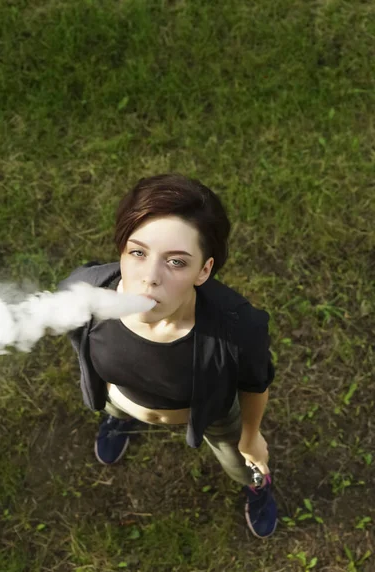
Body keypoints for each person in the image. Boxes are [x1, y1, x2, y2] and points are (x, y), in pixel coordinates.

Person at [58, 173, 278, 539]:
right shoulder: (83, 295)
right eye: (138, 253)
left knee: (241, 464)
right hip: (121, 397)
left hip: (210, 414)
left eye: (176, 262)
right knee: (113, 407)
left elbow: (256, 385)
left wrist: (251, 437)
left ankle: (258, 489)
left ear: (203, 270)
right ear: (122, 250)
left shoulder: (239, 329)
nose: (150, 278)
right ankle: (117, 421)